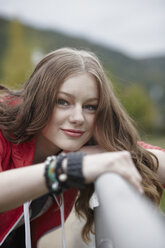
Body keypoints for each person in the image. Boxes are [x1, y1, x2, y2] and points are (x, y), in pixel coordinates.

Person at [0, 47, 164, 248]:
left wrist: (109, 153)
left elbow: (158, 161)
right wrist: (70, 168)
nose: (78, 118)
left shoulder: (83, 141)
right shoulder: (3, 125)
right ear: (38, 98)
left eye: (90, 106)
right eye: (62, 102)